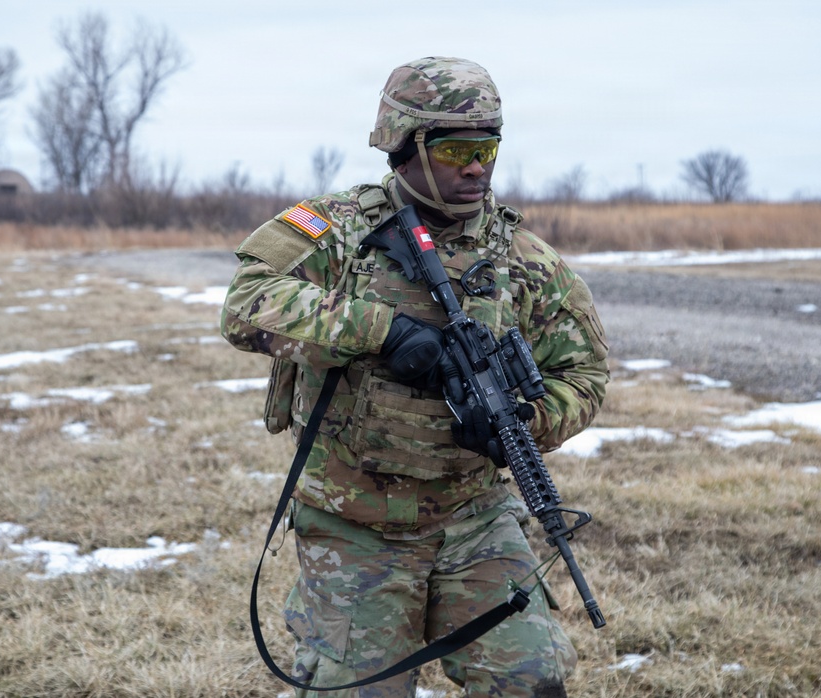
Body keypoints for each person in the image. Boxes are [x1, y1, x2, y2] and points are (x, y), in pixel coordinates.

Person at [221, 56, 610, 698]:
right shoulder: (337, 231)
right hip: (356, 519)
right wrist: (381, 331)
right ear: (403, 145)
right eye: (457, 147)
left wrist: (526, 422)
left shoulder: (526, 260)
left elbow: (584, 374)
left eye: (487, 147)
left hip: (474, 515)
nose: (477, 165)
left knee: (533, 682)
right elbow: (245, 304)